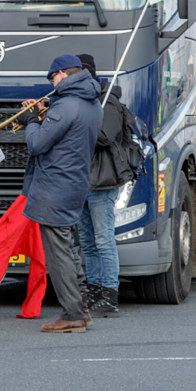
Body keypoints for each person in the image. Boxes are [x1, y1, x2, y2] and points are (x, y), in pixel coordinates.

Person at [17, 54, 103, 333]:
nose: (52, 82)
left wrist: (32, 121)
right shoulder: (91, 103)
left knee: (59, 255)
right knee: (71, 248)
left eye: (52, 77)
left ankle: (72, 315)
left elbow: (37, 144)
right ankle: (82, 309)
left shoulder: (66, 105)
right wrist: (46, 114)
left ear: (63, 74)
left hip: (55, 187)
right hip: (75, 184)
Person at [76, 53, 134, 318]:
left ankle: (109, 295)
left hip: (102, 180)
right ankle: (95, 291)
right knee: (88, 242)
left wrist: (74, 123)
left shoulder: (107, 101)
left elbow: (104, 137)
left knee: (103, 240)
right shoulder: (83, 101)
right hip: (83, 181)